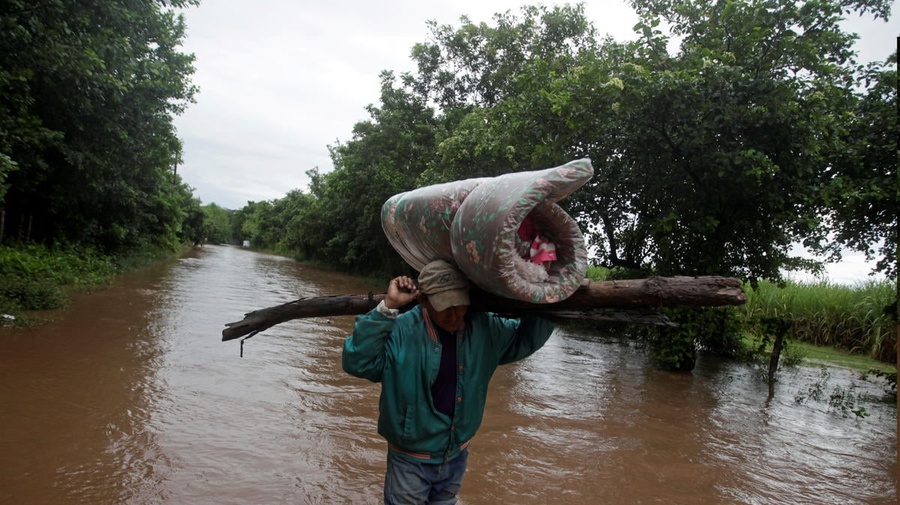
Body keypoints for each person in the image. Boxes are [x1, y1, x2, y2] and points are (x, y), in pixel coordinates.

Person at [342, 259, 555, 505]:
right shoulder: (400, 330)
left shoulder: (484, 328)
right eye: (445, 307)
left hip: (456, 456)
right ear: (423, 301)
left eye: (460, 305)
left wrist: (546, 293)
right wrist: (387, 307)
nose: (455, 315)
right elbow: (357, 362)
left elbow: (524, 340)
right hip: (410, 461)